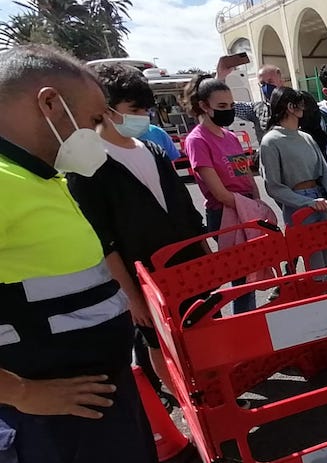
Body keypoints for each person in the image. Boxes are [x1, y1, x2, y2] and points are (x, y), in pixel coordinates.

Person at [0, 44, 155, 463]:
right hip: (51, 427)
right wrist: (22, 393)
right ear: (50, 104)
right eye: (94, 119)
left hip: (97, 409)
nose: (99, 131)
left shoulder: (44, 177)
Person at [67, 62, 208, 414]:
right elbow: (104, 242)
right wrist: (133, 297)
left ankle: (210, 395)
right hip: (144, 280)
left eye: (146, 109)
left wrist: (207, 258)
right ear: (105, 108)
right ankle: (190, 407)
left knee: (200, 336)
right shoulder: (88, 166)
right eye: (134, 109)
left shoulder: (153, 151)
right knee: (160, 345)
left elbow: (186, 211)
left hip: (187, 269)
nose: (143, 117)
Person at [182, 75, 262, 314]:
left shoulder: (230, 136)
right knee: (241, 277)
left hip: (245, 207)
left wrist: (256, 201)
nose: (228, 111)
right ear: (204, 106)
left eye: (231, 105)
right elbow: (219, 193)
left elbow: (246, 174)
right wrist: (250, 206)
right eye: (222, 106)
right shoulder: (197, 140)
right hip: (226, 213)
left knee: (251, 274)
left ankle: (250, 320)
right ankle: (244, 322)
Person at [259, 86, 327, 272]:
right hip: (299, 206)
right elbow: (273, 186)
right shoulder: (270, 141)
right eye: (301, 104)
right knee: (315, 260)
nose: (305, 109)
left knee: (326, 257)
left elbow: (324, 171)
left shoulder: (306, 137)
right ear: (291, 107)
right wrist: (307, 202)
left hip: (320, 201)